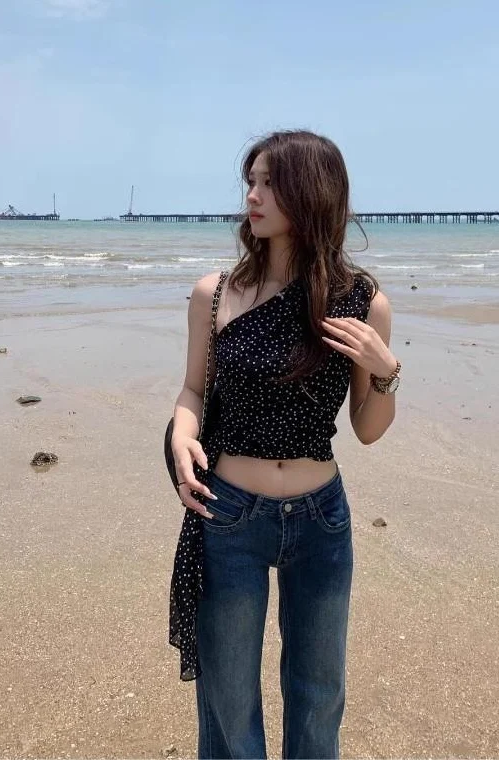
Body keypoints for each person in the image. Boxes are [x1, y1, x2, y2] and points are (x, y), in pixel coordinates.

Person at [170, 129, 401, 760]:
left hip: (321, 518)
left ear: (312, 191)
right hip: (228, 512)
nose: (253, 195)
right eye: (251, 181)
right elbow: (193, 390)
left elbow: (368, 428)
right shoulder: (215, 293)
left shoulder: (362, 302)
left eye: (270, 183)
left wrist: (385, 370)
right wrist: (182, 435)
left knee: (318, 694)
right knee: (228, 697)